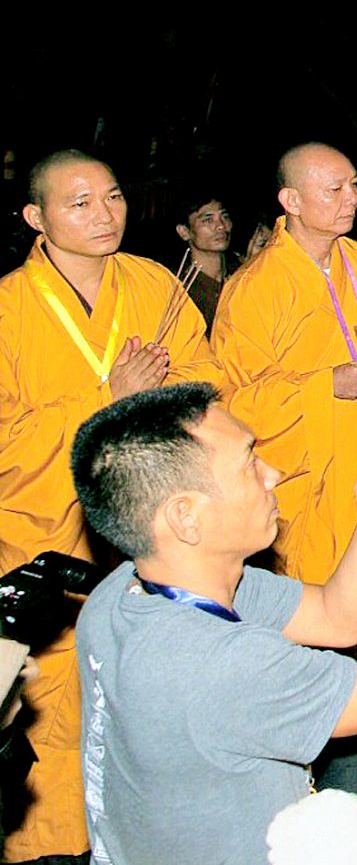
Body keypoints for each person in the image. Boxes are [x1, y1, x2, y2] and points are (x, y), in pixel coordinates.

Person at [71, 384, 357, 865]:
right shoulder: (219, 666)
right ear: (185, 517)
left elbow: (339, 617)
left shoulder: (125, 592)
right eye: (249, 465)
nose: (273, 475)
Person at [0, 151, 225, 863]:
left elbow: (206, 383)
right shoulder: (8, 307)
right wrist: (106, 399)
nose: (104, 215)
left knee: (146, 694)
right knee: (52, 705)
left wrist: (154, 400)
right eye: (80, 203)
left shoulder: (154, 282)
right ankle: (51, 848)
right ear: (35, 217)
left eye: (114, 196)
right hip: (48, 534)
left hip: (146, 520)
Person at [214, 143, 357, 584]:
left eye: (353, 186)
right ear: (292, 201)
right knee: (317, 604)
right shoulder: (253, 288)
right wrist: (327, 385)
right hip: (308, 480)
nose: (352, 199)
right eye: (335, 190)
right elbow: (237, 401)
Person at [171, 188, 238, 328]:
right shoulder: (181, 290)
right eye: (208, 220)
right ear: (184, 231)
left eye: (224, 216)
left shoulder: (241, 273)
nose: (221, 226)